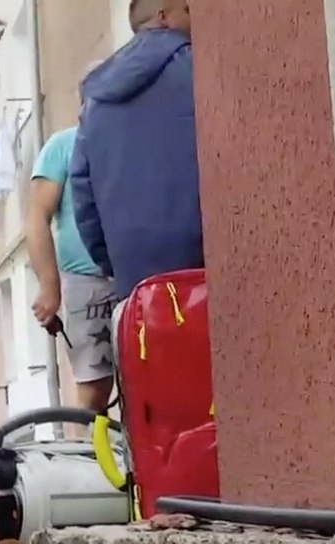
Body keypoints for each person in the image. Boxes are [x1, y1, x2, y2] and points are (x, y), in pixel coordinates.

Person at [70, 0, 201, 320]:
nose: (195, 16)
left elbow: (83, 201)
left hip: (140, 290)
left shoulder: (95, 102)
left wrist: (117, 266)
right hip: (207, 271)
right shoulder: (198, 67)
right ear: (164, 17)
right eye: (187, 9)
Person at [27, 126, 117, 412]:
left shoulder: (132, 134)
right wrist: (49, 287)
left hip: (138, 275)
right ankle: (89, 456)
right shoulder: (63, 145)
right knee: (93, 394)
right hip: (88, 281)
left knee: (149, 387)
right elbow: (37, 217)